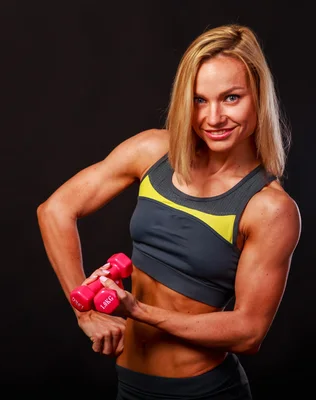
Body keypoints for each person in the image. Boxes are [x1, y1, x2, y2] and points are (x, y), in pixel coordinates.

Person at [37, 23, 301, 400]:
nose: (213, 118)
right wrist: (85, 312)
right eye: (198, 100)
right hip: (131, 386)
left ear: (258, 97)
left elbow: (249, 332)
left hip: (204, 391)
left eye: (230, 98)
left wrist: (138, 311)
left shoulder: (269, 208)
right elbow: (55, 209)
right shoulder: (152, 152)